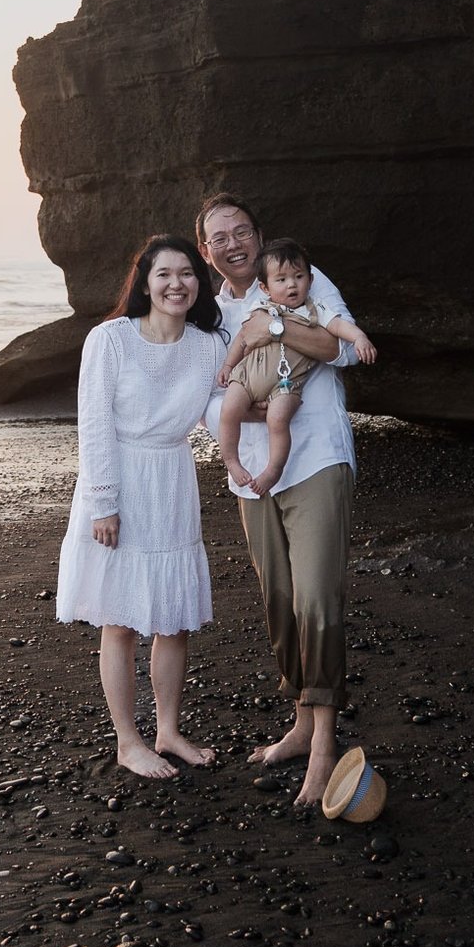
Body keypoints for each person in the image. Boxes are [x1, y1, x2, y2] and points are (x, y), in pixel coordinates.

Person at [197, 193, 374, 810]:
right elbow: (209, 399)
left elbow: (341, 348)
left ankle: (324, 743)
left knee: (316, 598)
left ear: (259, 235)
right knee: (279, 601)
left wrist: (271, 326)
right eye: (220, 237)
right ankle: (301, 722)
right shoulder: (209, 314)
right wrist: (256, 408)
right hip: (252, 474)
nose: (233, 244)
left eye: (242, 231)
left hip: (317, 457)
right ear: (206, 252)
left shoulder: (298, 274)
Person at [56, 235, 224, 780]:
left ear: (199, 282)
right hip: (121, 481)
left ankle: (168, 731)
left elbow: (223, 409)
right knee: (121, 620)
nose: (177, 284)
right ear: (145, 284)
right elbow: (94, 424)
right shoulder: (110, 339)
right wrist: (103, 503)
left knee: (174, 620)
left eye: (187, 273)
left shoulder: (209, 345)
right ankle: (128, 741)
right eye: (164, 274)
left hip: (172, 481)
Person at [215, 236, 372, 497]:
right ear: (265, 288)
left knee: (278, 419)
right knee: (229, 409)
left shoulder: (315, 310)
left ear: (310, 280)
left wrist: (359, 337)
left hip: (285, 383)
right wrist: (228, 366)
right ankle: (231, 461)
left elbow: (339, 326)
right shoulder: (261, 306)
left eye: (298, 277)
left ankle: (273, 469)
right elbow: (243, 338)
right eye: (281, 280)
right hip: (248, 375)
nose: (291, 285)